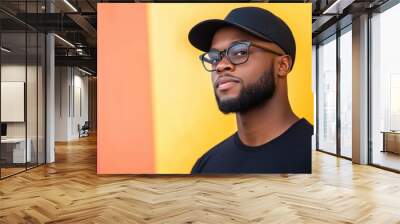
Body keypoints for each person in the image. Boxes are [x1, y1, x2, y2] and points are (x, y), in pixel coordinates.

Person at [188, 6, 313, 174]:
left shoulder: (315, 157)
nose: (221, 66)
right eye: (214, 57)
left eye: (239, 52)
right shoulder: (206, 166)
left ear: (282, 65)